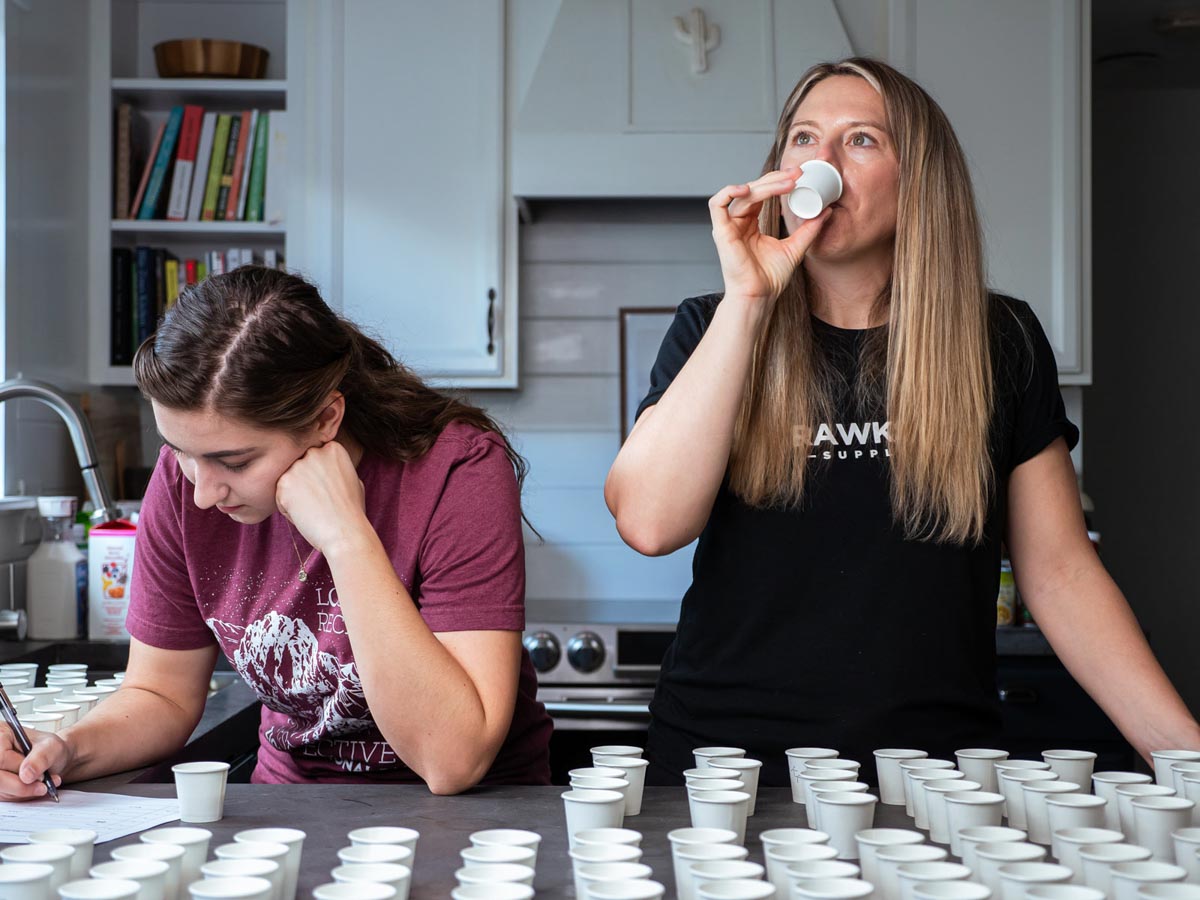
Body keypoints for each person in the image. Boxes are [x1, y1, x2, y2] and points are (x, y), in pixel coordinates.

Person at [604, 57, 1200, 786]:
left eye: (860, 141)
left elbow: (1061, 574)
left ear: (919, 179)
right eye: (802, 138)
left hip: (935, 780)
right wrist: (748, 303)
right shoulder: (714, 325)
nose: (819, 162)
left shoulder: (998, 338)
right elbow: (648, 523)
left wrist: (1184, 750)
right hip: (725, 776)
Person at [1, 267, 552, 798]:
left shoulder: (457, 470)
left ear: (324, 421)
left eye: (235, 462)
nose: (201, 493)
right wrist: (69, 748)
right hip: (291, 808)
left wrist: (346, 537)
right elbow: (160, 693)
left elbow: (452, 760)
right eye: (181, 453)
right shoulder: (186, 479)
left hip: (473, 818)